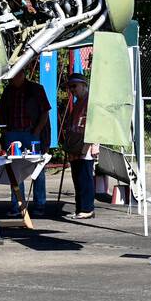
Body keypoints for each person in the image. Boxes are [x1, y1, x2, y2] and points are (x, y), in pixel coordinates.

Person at [0, 70, 50, 215]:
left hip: (31, 133)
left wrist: (38, 130)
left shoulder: (36, 89)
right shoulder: (8, 91)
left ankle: (40, 204)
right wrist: (5, 131)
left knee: (38, 167)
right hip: (12, 133)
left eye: (14, 76)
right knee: (14, 170)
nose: (11, 79)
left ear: (22, 75)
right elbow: (0, 111)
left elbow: (45, 112)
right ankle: (18, 205)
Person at [62, 73, 97, 219]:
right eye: (70, 87)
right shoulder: (78, 102)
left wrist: (92, 144)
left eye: (74, 86)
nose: (72, 89)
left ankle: (87, 208)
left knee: (85, 177)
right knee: (77, 177)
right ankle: (80, 208)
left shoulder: (90, 101)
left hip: (85, 145)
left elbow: (94, 124)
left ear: (84, 85)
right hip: (76, 144)